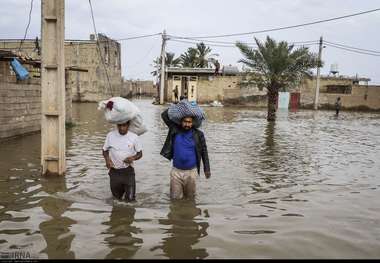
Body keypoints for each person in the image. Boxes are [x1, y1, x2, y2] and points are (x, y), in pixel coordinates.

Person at [160, 109, 211, 200]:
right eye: (185, 121)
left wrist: (207, 169)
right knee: (175, 199)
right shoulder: (174, 130)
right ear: (181, 121)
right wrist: (177, 106)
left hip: (191, 172)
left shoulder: (198, 134)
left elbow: (204, 152)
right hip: (176, 172)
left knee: (190, 199)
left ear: (193, 123)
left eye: (189, 122)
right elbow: (164, 115)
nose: (187, 124)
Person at [102, 121, 143, 202]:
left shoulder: (134, 137)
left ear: (128, 125)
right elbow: (105, 150)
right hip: (114, 172)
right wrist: (107, 160)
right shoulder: (110, 135)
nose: (121, 128)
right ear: (117, 125)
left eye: (124, 126)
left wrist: (133, 158)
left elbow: (140, 154)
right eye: (119, 125)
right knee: (116, 200)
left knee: (130, 200)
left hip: (128, 172)